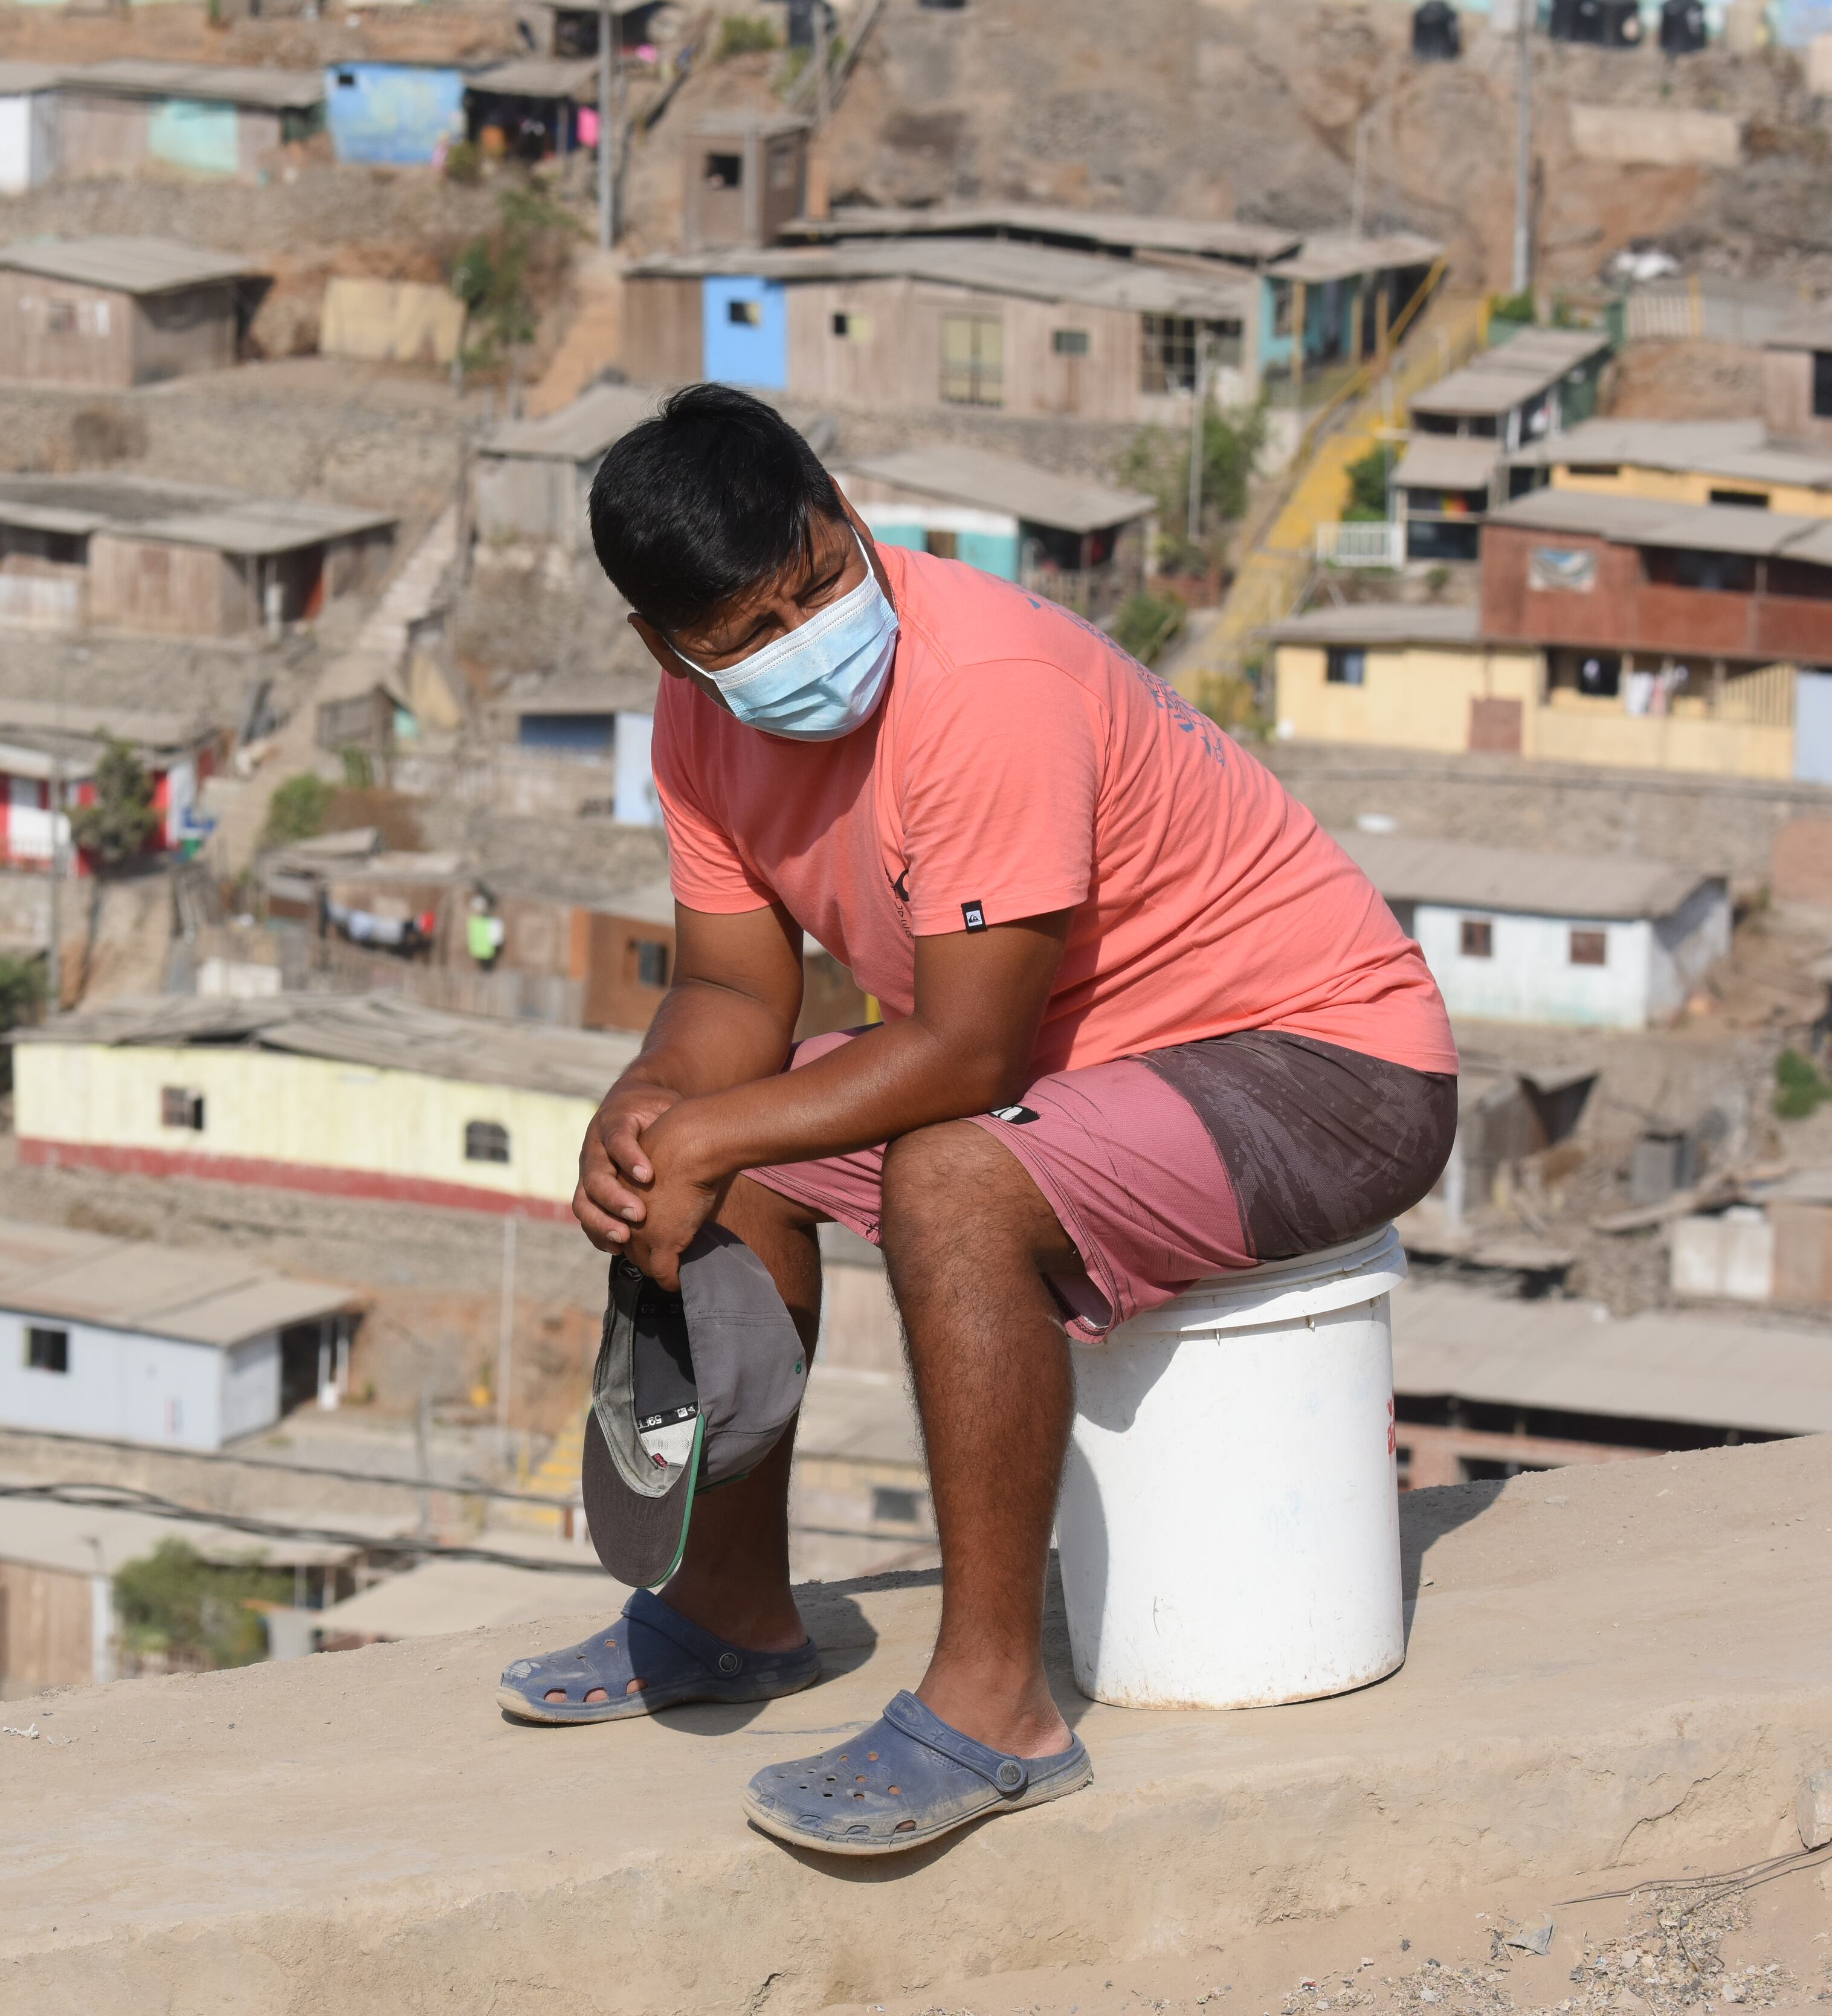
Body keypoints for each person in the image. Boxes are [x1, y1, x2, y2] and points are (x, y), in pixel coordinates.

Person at [496, 385, 1457, 1857]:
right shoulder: (698, 729)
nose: (804, 640)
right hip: (1102, 1084)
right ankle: (733, 1611)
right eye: (748, 635)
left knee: (950, 1175)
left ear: (849, 519)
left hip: (1325, 1069)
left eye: (820, 583)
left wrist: (711, 1123)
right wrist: (651, 1108)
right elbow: (727, 987)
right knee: (724, 1136)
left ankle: (996, 1700)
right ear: (666, 648)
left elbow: (965, 1050)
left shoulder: (986, 686)